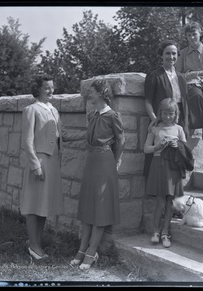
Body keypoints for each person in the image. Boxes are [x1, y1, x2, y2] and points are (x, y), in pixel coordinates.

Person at [21, 74, 86, 260]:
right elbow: (27, 141)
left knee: (44, 205)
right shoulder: (31, 110)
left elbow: (62, 134)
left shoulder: (54, 110)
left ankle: (37, 241)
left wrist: (87, 134)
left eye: (52, 87)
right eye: (47, 87)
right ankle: (33, 247)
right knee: (34, 205)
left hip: (53, 162)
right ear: (38, 89)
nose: (51, 90)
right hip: (40, 162)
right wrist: (35, 166)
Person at [71, 79, 125, 270]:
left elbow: (121, 139)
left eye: (91, 92)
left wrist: (116, 160)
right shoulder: (93, 114)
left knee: (100, 209)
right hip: (91, 161)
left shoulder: (112, 115)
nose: (89, 95)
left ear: (102, 93)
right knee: (88, 208)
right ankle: (81, 249)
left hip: (104, 161)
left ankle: (92, 251)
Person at [144, 98, 193, 248]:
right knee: (159, 202)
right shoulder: (155, 129)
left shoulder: (178, 129)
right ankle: (155, 231)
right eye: (165, 113)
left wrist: (177, 145)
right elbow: (146, 149)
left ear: (175, 114)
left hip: (173, 168)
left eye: (171, 113)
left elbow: (186, 148)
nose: (168, 116)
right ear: (160, 113)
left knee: (169, 202)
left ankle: (165, 232)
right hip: (158, 166)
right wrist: (157, 147)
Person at [143, 39, 189, 180]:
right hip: (161, 121)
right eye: (167, 53)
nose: (171, 57)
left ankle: (174, 189)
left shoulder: (181, 77)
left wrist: (185, 124)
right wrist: (155, 120)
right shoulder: (154, 76)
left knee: (177, 154)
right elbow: (148, 101)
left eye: (174, 54)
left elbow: (184, 102)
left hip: (178, 119)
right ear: (161, 55)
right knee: (158, 155)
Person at [175, 22, 203, 148]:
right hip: (190, 82)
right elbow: (177, 73)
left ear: (200, 34)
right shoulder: (182, 54)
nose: (192, 38)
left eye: (194, 34)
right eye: (189, 35)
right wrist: (189, 76)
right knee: (196, 96)